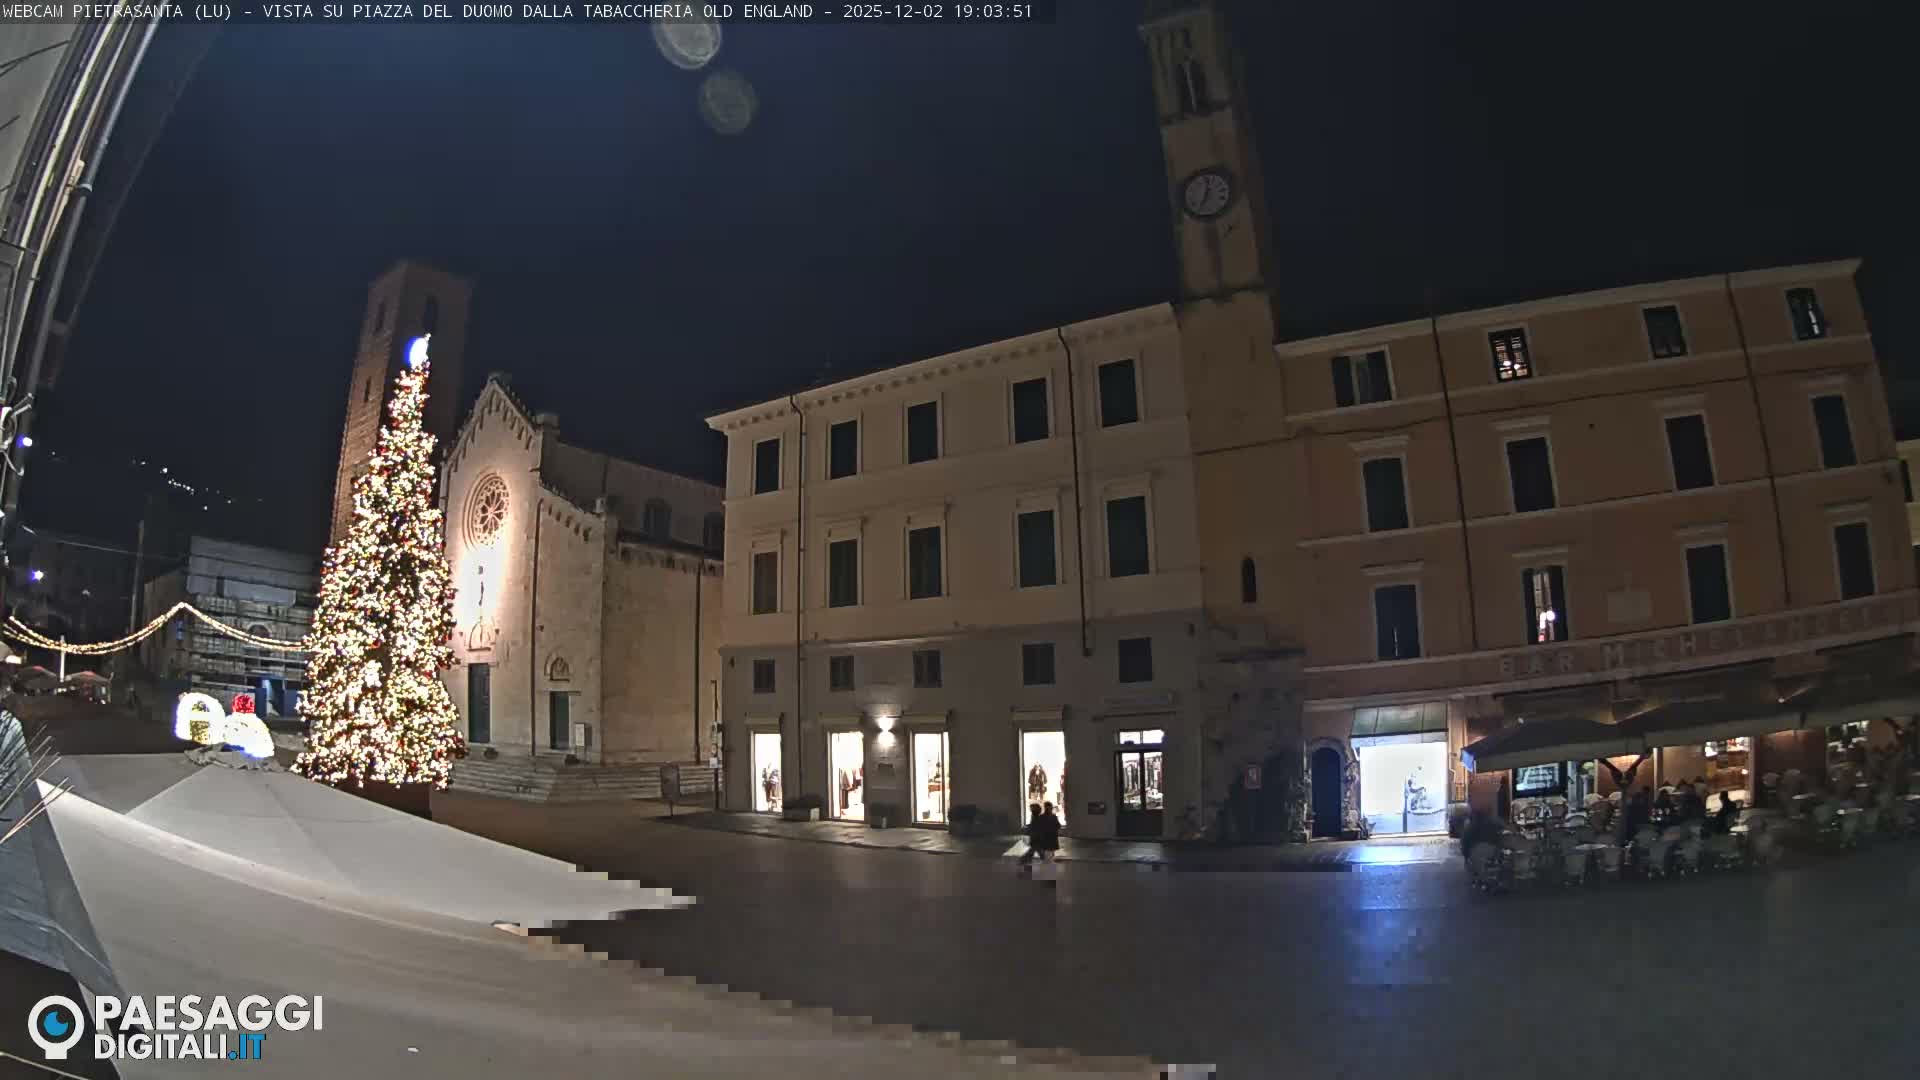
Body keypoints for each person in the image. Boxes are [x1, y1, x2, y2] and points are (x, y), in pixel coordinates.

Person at [1030, 801, 1062, 882]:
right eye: (1048, 808)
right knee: (1048, 859)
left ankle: (1048, 877)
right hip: (1048, 841)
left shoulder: (1043, 817)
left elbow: (1058, 826)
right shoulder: (1050, 817)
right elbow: (1058, 826)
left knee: (1048, 859)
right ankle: (1049, 878)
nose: (1049, 809)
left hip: (1047, 841)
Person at [1020, 803, 1043, 867]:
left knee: (1033, 852)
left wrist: (1028, 831)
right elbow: (1033, 827)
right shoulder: (1034, 816)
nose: (1030, 810)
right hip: (1036, 838)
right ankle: (1023, 863)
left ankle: (1023, 863)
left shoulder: (1036, 817)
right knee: (1036, 852)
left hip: (1036, 838)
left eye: (1031, 809)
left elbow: (1035, 827)